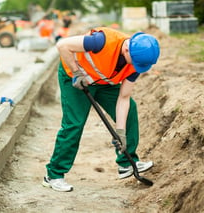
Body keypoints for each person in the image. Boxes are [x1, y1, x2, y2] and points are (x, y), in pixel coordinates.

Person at [42, 27, 160, 192]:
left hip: (104, 83)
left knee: (130, 109)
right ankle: (54, 174)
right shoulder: (101, 41)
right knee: (75, 123)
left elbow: (124, 98)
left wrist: (121, 132)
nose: (135, 65)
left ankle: (127, 163)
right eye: (133, 61)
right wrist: (76, 72)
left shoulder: (136, 61)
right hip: (76, 78)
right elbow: (62, 45)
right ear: (127, 49)